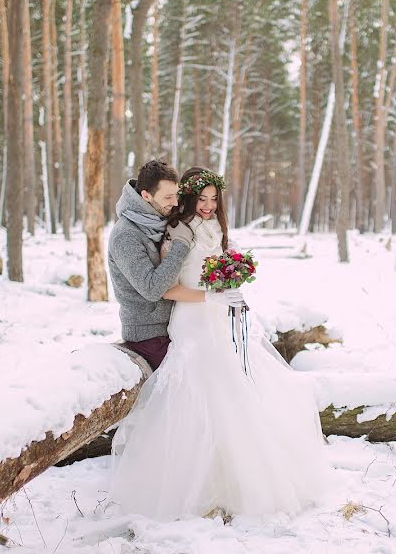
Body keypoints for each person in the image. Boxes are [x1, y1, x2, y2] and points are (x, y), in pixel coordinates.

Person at [110, 167, 328, 521]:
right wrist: (211, 295)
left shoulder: (214, 229)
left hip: (216, 321)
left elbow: (217, 268)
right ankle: (197, 482)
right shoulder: (172, 233)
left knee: (235, 388)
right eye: (201, 198)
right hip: (190, 320)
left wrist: (232, 282)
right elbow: (164, 287)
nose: (208, 205)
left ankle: (245, 475)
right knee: (198, 389)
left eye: (214, 199)